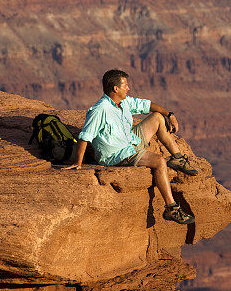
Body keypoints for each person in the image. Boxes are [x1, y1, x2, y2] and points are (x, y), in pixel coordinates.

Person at [65, 69, 197, 225]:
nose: (128, 88)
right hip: (117, 154)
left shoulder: (123, 102)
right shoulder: (100, 110)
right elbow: (85, 136)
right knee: (160, 161)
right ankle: (171, 208)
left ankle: (177, 158)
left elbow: (147, 105)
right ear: (116, 89)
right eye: (125, 85)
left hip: (129, 141)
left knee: (157, 117)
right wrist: (78, 163)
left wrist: (170, 115)